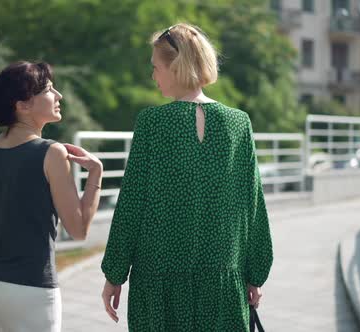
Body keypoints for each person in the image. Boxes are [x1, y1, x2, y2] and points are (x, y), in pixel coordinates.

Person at [100, 23, 274, 331]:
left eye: (156, 68)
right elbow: (253, 204)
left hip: (159, 283)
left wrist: (114, 274)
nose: (153, 76)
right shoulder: (238, 124)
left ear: (176, 67)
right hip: (223, 281)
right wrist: (255, 274)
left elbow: (131, 204)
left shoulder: (152, 123)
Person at [0, 61, 103, 331]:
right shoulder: (52, 153)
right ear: (23, 105)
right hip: (30, 289)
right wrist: (96, 174)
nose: (59, 96)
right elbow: (78, 229)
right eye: (49, 89)